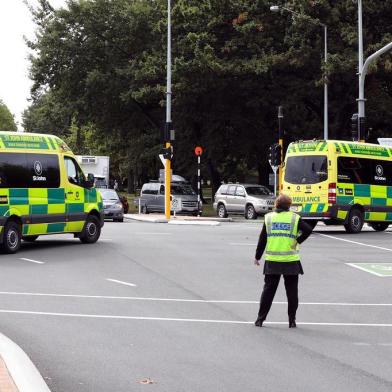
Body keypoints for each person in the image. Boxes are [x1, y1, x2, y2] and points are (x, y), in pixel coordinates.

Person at [254, 194, 313, 328]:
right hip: (290, 260)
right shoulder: (294, 218)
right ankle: (292, 321)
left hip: (272, 261)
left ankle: (260, 319)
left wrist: (257, 256)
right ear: (289, 205)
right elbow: (308, 230)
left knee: (268, 292)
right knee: (292, 292)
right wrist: (298, 241)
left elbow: (262, 238)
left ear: (276, 204)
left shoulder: (269, 218)